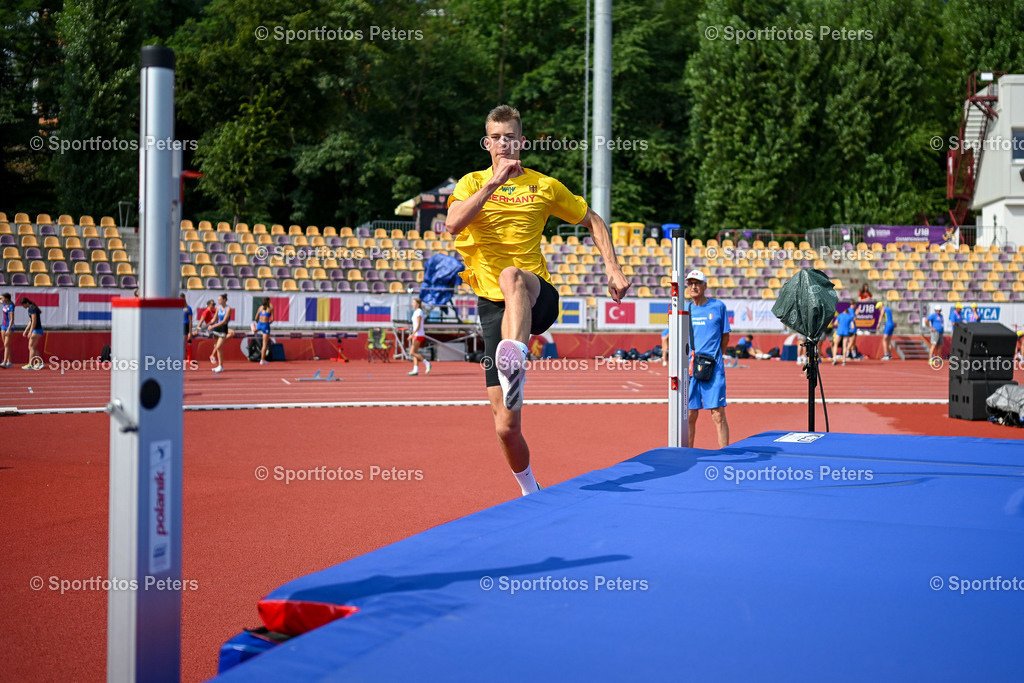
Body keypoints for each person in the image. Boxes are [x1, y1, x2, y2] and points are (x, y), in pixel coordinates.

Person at [445, 104, 630, 495]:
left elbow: (593, 220)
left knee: (510, 274)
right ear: (486, 142)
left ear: (521, 141)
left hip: (535, 296)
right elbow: (453, 223)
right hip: (493, 308)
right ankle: (531, 490)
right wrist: (493, 184)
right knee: (506, 427)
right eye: (495, 137)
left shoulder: (544, 186)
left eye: (509, 136)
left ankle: (516, 359)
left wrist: (612, 268)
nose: (502, 143)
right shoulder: (470, 183)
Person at [685, 270, 730, 448]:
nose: (694, 286)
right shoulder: (686, 309)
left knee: (718, 414)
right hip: (691, 367)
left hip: (714, 367)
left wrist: (716, 356)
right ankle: (687, 453)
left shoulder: (718, 306)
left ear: (705, 286)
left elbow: (725, 337)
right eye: (690, 283)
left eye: (697, 283)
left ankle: (725, 453)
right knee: (689, 414)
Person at [208, 294, 234, 373]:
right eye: (218, 299)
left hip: (223, 328)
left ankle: (220, 366)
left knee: (218, 347)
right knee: (217, 346)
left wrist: (213, 326)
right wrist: (208, 325)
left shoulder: (228, 309)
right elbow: (214, 319)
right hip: (217, 328)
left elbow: (224, 321)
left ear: (224, 300)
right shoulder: (218, 308)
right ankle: (220, 366)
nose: (218, 301)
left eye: (220, 299)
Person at [407, 298, 431, 376]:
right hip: (416, 334)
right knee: (415, 353)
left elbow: (418, 325)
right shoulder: (416, 312)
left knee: (412, 352)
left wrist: (412, 334)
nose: (412, 304)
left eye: (414, 302)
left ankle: (427, 363)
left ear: (418, 304)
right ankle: (415, 370)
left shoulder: (419, 312)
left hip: (419, 334)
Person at [20, 297, 44, 370]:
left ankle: (31, 364)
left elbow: (34, 321)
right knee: (32, 347)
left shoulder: (32, 309)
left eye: (23, 305)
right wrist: (26, 330)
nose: (23, 307)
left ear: (27, 303)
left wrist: (30, 332)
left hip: (36, 330)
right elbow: (30, 321)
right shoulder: (31, 308)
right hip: (36, 330)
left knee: (31, 347)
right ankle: (40, 362)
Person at [254, 297, 274, 365]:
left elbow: (256, 318)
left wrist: (258, 323)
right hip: (265, 325)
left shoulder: (260, 308)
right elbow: (272, 319)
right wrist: (268, 323)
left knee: (256, 329)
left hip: (259, 323)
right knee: (264, 344)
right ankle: (262, 360)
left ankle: (255, 329)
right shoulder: (270, 308)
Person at [1, 293, 15, 368]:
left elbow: (12, 319)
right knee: (6, 345)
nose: (2, 299)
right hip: (3, 326)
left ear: (6, 299)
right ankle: (9, 362)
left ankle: (5, 362)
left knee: (6, 344)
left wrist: (8, 329)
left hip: (9, 326)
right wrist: (8, 294)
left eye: (3, 298)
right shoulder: (4, 304)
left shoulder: (11, 306)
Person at [182, 294, 193, 363]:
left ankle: (182, 358)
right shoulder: (177, 308)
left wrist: (190, 332)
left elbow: (190, 321)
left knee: (182, 342)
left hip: (185, 325)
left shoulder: (188, 308)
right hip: (178, 326)